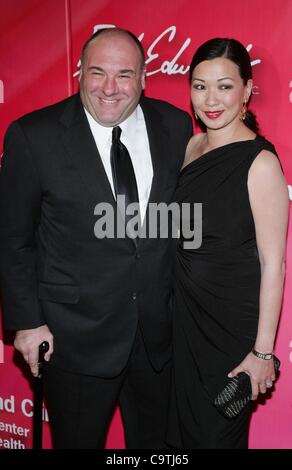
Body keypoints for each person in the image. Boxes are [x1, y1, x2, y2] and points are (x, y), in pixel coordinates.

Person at [0, 27, 192, 449]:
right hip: (73, 336)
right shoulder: (34, 136)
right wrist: (27, 323)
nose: (109, 88)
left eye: (124, 75)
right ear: (79, 72)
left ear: (143, 78)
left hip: (157, 337)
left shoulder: (176, 127)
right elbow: (13, 240)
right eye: (97, 72)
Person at [167, 38, 289, 449]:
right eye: (200, 86)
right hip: (181, 321)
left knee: (216, 436)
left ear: (247, 90)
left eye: (224, 85)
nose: (211, 99)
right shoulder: (189, 147)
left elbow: (275, 264)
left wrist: (262, 352)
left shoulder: (260, 162)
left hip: (227, 331)